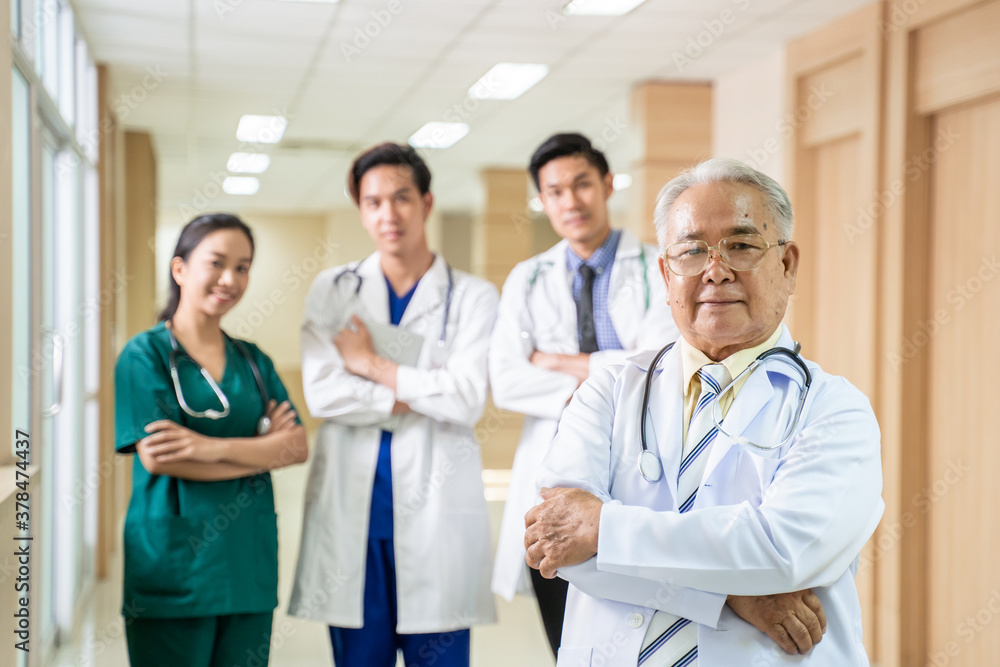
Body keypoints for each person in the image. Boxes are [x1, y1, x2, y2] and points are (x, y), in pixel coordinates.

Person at [523, 158, 884, 666]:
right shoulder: (607, 389)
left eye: (741, 245)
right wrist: (731, 593)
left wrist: (603, 528)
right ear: (666, 273)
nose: (716, 270)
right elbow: (560, 544)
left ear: (787, 265)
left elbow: (782, 552)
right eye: (692, 251)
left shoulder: (834, 409)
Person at [288, 143, 498, 667]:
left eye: (402, 198)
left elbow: (467, 398)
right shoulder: (335, 290)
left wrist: (369, 364)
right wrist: (424, 391)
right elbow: (325, 394)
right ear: (361, 210)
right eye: (374, 201)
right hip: (354, 523)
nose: (389, 213)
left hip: (438, 519)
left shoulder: (472, 297)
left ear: (426, 203)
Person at [489, 132, 678, 657]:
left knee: (639, 630)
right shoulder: (527, 279)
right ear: (542, 201)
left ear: (608, 185)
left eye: (581, 185)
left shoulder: (658, 267)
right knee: (565, 639)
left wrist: (555, 363)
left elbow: (660, 364)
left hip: (638, 467)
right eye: (554, 192)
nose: (570, 201)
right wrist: (615, 369)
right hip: (554, 475)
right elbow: (506, 380)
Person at [114, 213, 308, 667]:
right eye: (217, 262)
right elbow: (160, 458)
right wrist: (261, 454)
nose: (230, 279)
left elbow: (297, 446)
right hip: (173, 566)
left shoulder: (253, 361)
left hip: (246, 566)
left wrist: (208, 446)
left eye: (243, 267)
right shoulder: (145, 355)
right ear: (179, 269)